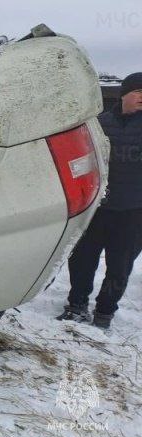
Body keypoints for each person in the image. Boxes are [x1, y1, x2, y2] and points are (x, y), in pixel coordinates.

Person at [58, 73, 142, 329]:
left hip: (133, 212)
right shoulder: (99, 124)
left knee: (120, 266)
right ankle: (77, 305)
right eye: (138, 91)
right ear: (124, 94)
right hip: (96, 207)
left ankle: (105, 312)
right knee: (82, 258)